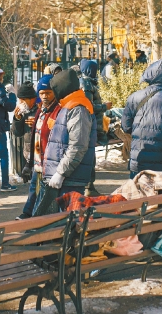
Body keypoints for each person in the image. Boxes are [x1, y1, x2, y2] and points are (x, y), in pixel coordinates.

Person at [32, 69, 96, 216]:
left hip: (69, 178)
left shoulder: (78, 108)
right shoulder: (68, 105)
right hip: (62, 176)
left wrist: (60, 173)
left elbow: (77, 146)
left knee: (66, 223)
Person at [121, 59, 162, 177]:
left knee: (138, 193)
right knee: (160, 196)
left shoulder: (134, 97)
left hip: (138, 159)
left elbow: (126, 126)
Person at [15, 76, 57, 219]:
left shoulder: (41, 110)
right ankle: (29, 214)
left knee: (40, 188)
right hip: (33, 155)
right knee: (35, 187)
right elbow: (17, 132)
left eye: (23, 100)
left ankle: (31, 215)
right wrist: (17, 119)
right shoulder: (24, 110)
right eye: (42, 93)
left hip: (44, 156)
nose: (21, 103)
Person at [80, 59, 109, 196]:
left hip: (92, 124)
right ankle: (88, 187)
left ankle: (89, 186)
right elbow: (88, 106)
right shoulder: (86, 84)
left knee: (90, 156)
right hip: (90, 124)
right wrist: (104, 107)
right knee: (89, 156)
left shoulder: (88, 82)